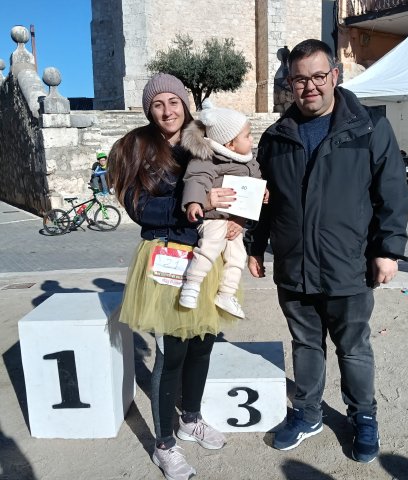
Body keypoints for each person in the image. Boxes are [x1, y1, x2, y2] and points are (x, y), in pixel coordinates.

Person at [245, 39, 408, 464]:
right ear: (290, 84)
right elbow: (262, 200)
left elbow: (392, 193)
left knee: (353, 348)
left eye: (318, 76)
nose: (310, 87)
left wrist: (388, 249)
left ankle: (364, 416)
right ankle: (308, 413)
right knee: (305, 345)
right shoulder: (275, 138)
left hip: (348, 265)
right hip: (294, 265)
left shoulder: (369, 127)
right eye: (300, 79)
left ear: (335, 75)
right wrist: (254, 246)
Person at [107, 73, 243, 480]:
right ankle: (164, 444)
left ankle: (191, 420)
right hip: (165, 259)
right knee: (171, 354)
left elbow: (237, 182)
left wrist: (238, 218)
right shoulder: (133, 147)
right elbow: (139, 209)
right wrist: (196, 204)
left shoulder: (205, 141)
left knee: (202, 344)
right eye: (157, 104)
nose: (167, 111)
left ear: (185, 103)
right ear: (148, 110)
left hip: (205, 256)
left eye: (173, 102)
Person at [179, 101, 262, 319]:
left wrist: (263, 191)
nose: (252, 140)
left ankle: (226, 293)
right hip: (214, 218)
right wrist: (195, 202)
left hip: (234, 221)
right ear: (230, 144)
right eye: (247, 136)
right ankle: (192, 284)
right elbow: (196, 179)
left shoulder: (248, 161)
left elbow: (256, 179)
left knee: (238, 256)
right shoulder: (208, 159)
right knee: (210, 247)